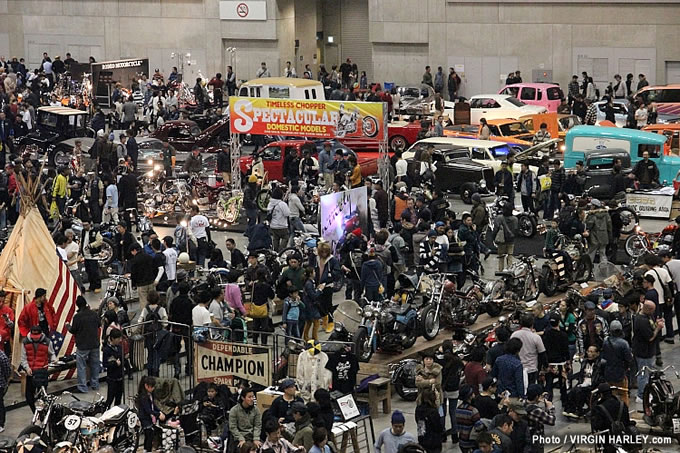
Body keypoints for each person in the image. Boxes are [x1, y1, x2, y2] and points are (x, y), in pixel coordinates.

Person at [66, 296, 100, 393]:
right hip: (94, 343)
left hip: (82, 345)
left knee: (81, 366)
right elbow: (99, 325)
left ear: (77, 305)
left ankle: (82, 387)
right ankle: (95, 384)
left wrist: (67, 326)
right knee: (95, 365)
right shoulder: (94, 314)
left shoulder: (77, 317)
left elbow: (73, 330)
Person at [633, 300, 664, 402]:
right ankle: (641, 395)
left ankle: (646, 392)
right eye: (652, 310)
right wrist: (658, 328)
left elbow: (652, 327)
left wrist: (656, 323)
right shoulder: (641, 321)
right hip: (643, 352)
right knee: (643, 374)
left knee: (648, 373)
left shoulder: (647, 316)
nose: (653, 313)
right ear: (648, 309)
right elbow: (650, 337)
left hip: (649, 351)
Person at [21, 325, 57, 412]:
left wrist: (54, 360)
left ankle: (42, 414)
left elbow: (52, 353)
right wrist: (27, 368)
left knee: (42, 398)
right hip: (31, 373)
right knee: (29, 397)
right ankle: (35, 412)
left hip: (42, 372)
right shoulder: (25, 342)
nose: (35, 338)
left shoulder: (47, 342)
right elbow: (23, 358)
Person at [562, 345, 602, 418]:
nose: (589, 354)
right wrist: (569, 377)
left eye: (592, 352)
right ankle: (569, 410)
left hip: (592, 385)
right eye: (588, 351)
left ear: (597, 353)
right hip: (583, 383)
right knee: (572, 392)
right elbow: (580, 374)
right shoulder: (584, 362)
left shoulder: (600, 364)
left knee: (579, 391)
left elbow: (600, 377)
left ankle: (579, 411)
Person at [541, 314, 569, 403]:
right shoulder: (563, 335)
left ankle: (548, 402)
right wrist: (568, 361)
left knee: (549, 384)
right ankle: (564, 401)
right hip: (561, 363)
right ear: (559, 322)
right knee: (563, 384)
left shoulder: (546, 334)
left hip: (550, 363)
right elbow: (566, 350)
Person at [511, 314, 546, 386]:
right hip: (531, 369)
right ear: (532, 324)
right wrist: (545, 366)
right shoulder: (536, 337)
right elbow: (542, 353)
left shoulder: (514, 335)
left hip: (517, 368)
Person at [525, 384, 555, 453]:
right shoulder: (536, 410)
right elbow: (551, 421)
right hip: (536, 441)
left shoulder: (523, 404)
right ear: (537, 397)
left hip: (527, 440)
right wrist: (551, 408)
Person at [128, 243, 156, 308]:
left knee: (144, 301)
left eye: (132, 252)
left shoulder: (134, 260)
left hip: (141, 284)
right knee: (153, 300)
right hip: (151, 282)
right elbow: (154, 269)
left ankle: (146, 313)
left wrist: (133, 284)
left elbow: (134, 273)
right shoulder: (149, 257)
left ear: (134, 250)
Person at [416, 387, 444, 453]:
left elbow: (417, 421)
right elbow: (438, 427)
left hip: (422, 437)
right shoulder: (433, 412)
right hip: (433, 441)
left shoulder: (418, 409)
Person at [456, 385, 482, 453]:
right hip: (471, 442)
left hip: (461, 441)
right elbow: (479, 427)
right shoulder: (473, 411)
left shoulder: (458, 409)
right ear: (470, 396)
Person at [492, 203, 518, 271]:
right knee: (510, 255)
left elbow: (495, 229)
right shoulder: (515, 219)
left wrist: (494, 238)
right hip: (511, 240)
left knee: (501, 256)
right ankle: (510, 270)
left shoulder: (499, 218)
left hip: (501, 240)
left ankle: (501, 270)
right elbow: (516, 230)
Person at [103, 329, 124, 408]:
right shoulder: (107, 350)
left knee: (118, 398)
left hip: (120, 378)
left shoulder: (119, 347)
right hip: (112, 379)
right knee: (110, 399)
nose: (120, 340)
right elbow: (105, 364)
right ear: (112, 338)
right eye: (118, 339)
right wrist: (115, 363)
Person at [268, 187, 291, 252]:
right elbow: (287, 213)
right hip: (282, 225)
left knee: (275, 238)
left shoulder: (270, 203)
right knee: (285, 237)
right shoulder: (282, 204)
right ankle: (281, 251)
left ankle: (275, 251)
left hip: (273, 225)